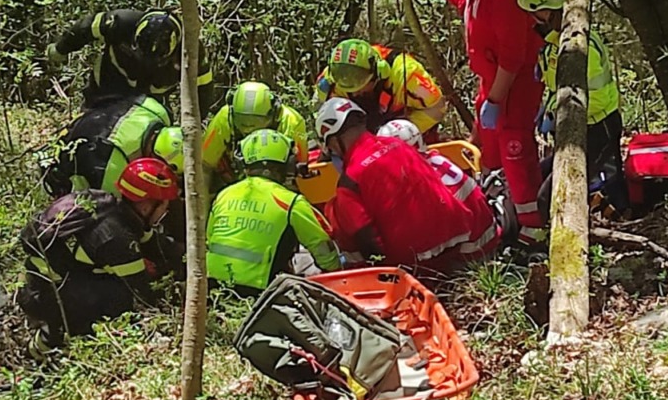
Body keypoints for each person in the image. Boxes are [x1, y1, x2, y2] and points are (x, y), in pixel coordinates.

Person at [399, 0, 547, 246]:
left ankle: (532, 231)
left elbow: (512, 60)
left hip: (513, 88)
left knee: (516, 152)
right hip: (492, 87)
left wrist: (496, 101)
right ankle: (499, 204)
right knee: (489, 152)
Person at [18, 158, 179, 360]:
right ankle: (59, 347)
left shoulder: (114, 209)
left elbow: (156, 245)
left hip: (46, 282)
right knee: (119, 297)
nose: (166, 211)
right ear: (147, 205)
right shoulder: (116, 237)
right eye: (164, 204)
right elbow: (141, 295)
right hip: (45, 295)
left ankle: (46, 343)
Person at [316, 99, 498, 272]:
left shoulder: (349, 182)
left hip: (416, 260)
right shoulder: (398, 143)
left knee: (338, 214)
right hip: (457, 237)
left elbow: (368, 242)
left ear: (333, 142)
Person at [516, 0, 624, 219]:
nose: (533, 22)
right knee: (534, 177)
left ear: (554, 10)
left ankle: (610, 227)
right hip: (573, 129)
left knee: (552, 197)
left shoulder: (582, 47)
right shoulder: (554, 44)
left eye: (538, 14)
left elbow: (593, 97)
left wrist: (557, 112)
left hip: (597, 127)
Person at [206, 130, 341, 296]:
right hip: (260, 294)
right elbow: (322, 249)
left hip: (212, 288)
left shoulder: (224, 194)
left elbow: (209, 236)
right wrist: (338, 273)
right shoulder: (291, 202)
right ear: (288, 163)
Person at [47, 8, 215, 110]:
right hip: (106, 89)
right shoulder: (120, 22)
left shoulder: (191, 51)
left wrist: (195, 128)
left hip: (152, 104)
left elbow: (204, 89)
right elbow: (85, 27)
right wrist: (60, 49)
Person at [41, 94, 180, 198]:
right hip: (60, 165)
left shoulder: (157, 110)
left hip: (88, 120)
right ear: (155, 157)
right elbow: (110, 208)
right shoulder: (114, 167)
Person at [315, 38, 447, 142]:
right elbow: (322, 116)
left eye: (361, 87)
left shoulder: (407, 74)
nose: (355, 94)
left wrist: (402, 132)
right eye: (349, 90)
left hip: (406, 137)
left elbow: (437, 107)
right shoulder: (332, 80)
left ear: (378, 73)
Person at [202, 81, 309, 182]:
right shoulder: (224, 118)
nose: (248, 128)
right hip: (231, 179)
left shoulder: (292, 122)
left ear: (274, 112)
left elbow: (299, 168)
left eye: (256, 121)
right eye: (242, 120)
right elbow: (205, 165)